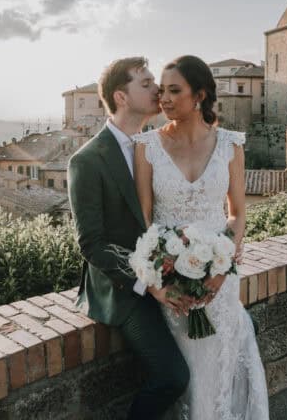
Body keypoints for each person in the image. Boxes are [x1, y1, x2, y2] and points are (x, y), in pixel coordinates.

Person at [133, 55, 269, 419]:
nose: (163, 99)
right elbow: (143, 221)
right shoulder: (145, 147)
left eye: (174, 91)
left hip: (219, 282)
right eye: (161, 91)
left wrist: (223, 265)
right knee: (187, 376)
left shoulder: (230, 144)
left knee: (218, 374)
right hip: (170, 285)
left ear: (200, 95)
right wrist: (156, 281)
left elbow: (237, 213)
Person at [67, 56, 192, 420]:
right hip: (123, 288)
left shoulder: (158, 145)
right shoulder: (87, 161)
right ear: (121, 97)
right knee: (172, 376)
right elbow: (91, 243)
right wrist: (148, 284)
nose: (158, 89)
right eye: (147, 83)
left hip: (169, 268)